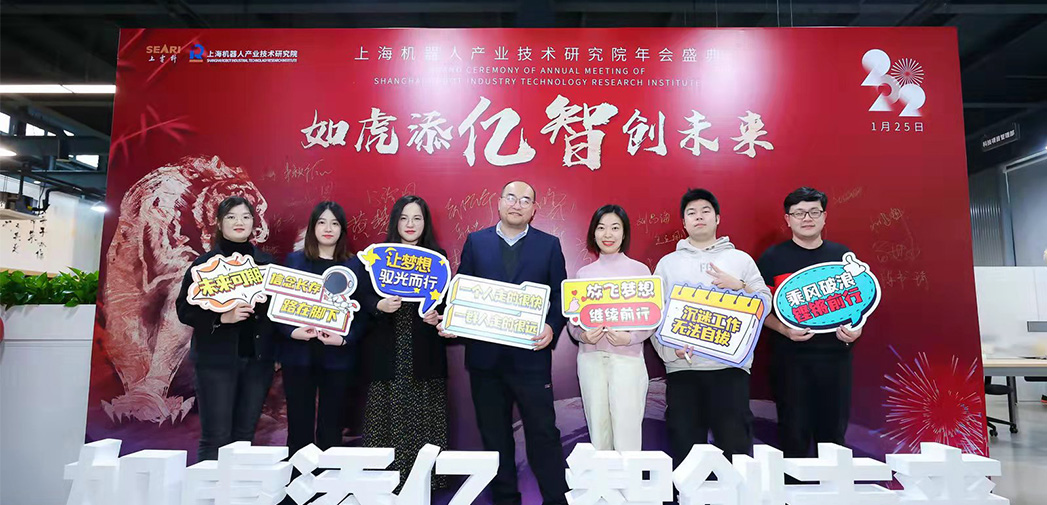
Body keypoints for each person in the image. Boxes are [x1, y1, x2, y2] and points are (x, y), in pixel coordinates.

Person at [440, 180, 569, 505]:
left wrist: (552, 327)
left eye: (525, 200)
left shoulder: (549, 245)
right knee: (495, 437)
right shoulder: (476, 242)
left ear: (534, 209)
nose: (516, 204)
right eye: (511, 197)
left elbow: (560, 297)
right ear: (499, 202)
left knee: (543, 433)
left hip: (531, 360)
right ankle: (506, 500)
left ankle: (557, 499)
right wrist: (453, 320)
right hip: (486, 362)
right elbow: (462, 290)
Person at [650, 188, 770, 468]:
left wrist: (740, 286)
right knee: (685, 451)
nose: (699, 217)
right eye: (691, 213)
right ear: (684, 222)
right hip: (683, 370)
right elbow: (654, 314)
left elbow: (765, 303)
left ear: (717, 218)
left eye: (705, 211)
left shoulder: (740, 259)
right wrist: (670, 352)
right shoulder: (668, 264)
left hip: (730, 370)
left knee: (735, 447)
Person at [757, 187, 860, 458]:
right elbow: (757, 309)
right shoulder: (772, 258)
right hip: (790, 361)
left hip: (835, 359)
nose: (807, 218)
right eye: (799, 213)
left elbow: (861, 302)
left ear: (824, 217)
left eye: (814, 212)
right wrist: (783, 329)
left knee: (834, 436)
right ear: (788, 219)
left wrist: (857, 329)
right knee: (793, 434)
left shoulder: (843, 257)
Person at [176, 196, 276, 461]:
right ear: (219, 223)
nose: (239, 222)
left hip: (257, 363)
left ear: (254, 223)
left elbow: (279, 312)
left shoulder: (267, 265)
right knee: (216, 437)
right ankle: (208, 487)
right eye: (231, 217)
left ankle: (236, 487)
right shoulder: (204, 266)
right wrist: (221, 317)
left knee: (244, 437)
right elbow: (184, 310)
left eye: (245, 216)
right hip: (215, 362)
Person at [359, 195, 449, 491]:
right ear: (395, 222)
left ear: (425, 223)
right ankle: (384, 486)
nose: (410, 224)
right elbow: (360, 297)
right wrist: (378, 305)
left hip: (424, 354)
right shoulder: (378, 256)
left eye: (417, 218)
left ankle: (424, 485)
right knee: (386, 415)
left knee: (424, 416)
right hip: (387, 351)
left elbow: (448, 304)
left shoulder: (438, 258)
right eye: (404, 218)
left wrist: (438, 316)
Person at [277, 201, 369, 458]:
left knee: (332, 426)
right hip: (298, 355)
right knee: (299, 425)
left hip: (337, 357)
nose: (328, 228)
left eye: (334, 223)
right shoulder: (294, 261)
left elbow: (364, 313)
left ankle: (328, 479)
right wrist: (291, 331)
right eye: (322, 222)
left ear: (342, 229)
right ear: (312, 227)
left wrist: (345, 339)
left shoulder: (355, 266)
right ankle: (298, 479)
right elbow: (277, 305)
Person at [566, 204, 653, 451]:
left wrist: (630, 338)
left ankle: (629, 478)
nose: (608, 234)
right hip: (591, 359)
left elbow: (651, 316)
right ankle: (602, 478)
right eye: (601, 228)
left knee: (628, 431)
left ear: (624, 234)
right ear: (593, 233)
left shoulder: (640, 271)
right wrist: (583, 335)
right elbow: (573, 321)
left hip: (628, 359)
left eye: (615, 228)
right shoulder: (583, 274)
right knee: (598, 431)